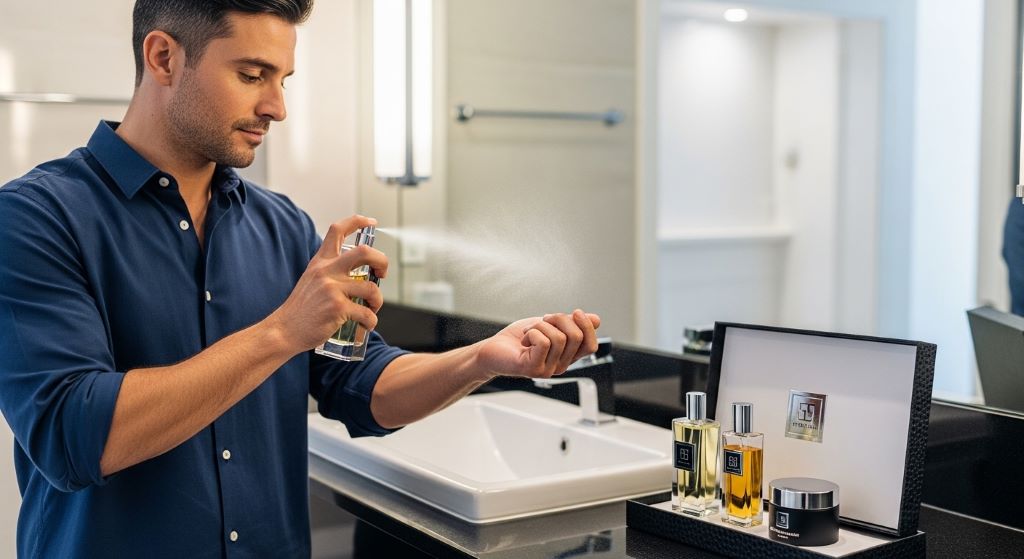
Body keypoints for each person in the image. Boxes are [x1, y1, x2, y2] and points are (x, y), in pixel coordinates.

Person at [0, 1, 601, 557]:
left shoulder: (282, 224)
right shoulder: (35, 219)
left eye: (282, 80)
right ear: (163, 57)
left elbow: (360, 385)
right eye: (252, 74)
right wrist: (283, 331)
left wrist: (483, 359)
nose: (276, 107)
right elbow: (71, 435)